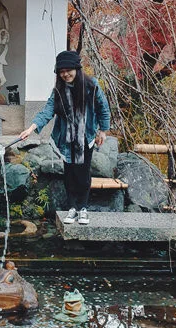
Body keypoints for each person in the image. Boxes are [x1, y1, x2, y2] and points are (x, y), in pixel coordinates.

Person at [18, 50, 110, 225]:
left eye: (68, 70)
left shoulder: (91, 86)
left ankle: (83, 208)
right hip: (66, 139)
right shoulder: (58, 91)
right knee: (69, 173)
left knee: (83, 172)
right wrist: (31, 128)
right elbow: (47, 111)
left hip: (86, 137)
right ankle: (72, 208)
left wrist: (103, 130)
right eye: (61, 71)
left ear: (77, 68)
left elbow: (102, 108)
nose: (65, 74)